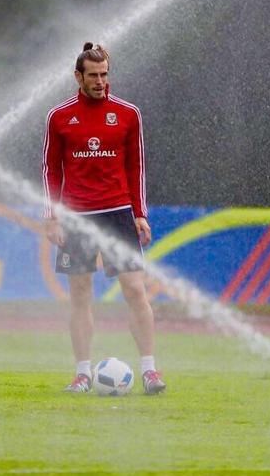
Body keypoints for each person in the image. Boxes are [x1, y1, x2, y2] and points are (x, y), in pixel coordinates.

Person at [42, 41, 166, 395]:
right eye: (93, 75)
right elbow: (50, 169)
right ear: (77, 76)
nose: (100, 81)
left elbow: (136, 166)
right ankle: (82, 374)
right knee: (80, 294)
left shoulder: (128, 114)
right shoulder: (59, 117)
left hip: (117, 214)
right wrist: (51, 216)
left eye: (104, 74)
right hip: (76, 217)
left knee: (134, 289)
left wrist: (139, 214)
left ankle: (150, 371)